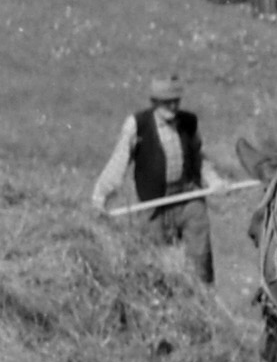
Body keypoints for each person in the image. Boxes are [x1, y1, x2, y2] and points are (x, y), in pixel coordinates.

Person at [91, 70, 223, 283]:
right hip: (153, 203)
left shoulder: (189, 123)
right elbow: (118, 162)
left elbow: (200, 157)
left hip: (188, 196)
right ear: (154, 102)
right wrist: (101, 196)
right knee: (155, 262)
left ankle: (203, 302)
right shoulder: (137, 125)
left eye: (175, 101)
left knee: (200, 257)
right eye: (166, 102)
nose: (172, 107)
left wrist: (214, 180)